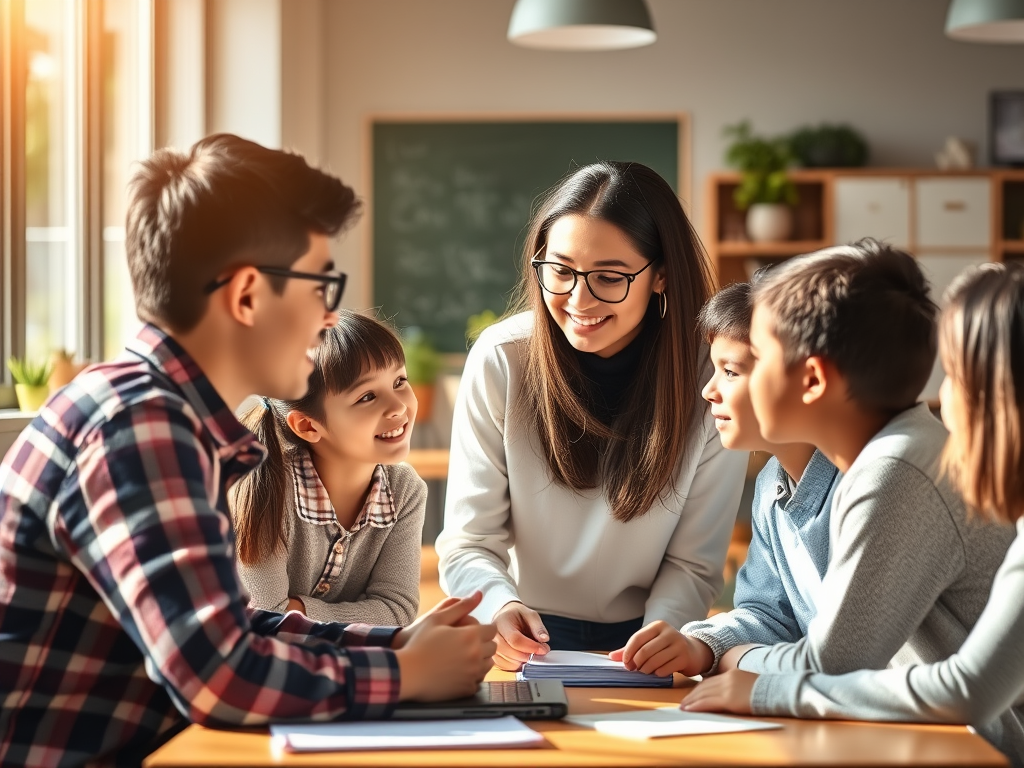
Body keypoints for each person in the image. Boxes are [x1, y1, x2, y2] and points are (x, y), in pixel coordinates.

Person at [0, 134, 494, 768]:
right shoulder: (142, 425)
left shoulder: (160, 414)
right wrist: (406, 676)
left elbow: (231, 629)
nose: (327, 320)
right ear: (248, 296)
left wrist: (395, 644)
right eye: (322, 287)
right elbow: (219, 674)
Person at [683, 260, 1024, 767]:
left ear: (814, 378)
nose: (941, 395)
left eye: (954, 374)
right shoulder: (827, 472)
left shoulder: (900, 467)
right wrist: (716, 648)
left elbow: (832, 664)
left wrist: (744, 670)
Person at [436, 160, 749, 670]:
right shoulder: (503, 357)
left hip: (653, 638)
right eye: (559, 271)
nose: (578, 300)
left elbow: (694, 561)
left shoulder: (712, 375)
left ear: (662, 275)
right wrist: (499, 606)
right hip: (525, 634)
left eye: (609, 277)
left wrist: (659, 636)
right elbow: (471, 541)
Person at [609, 278, 841, 678]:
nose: (708, 391)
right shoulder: (773, 484)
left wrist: (740, 661)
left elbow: (846, 655)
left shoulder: (862, 485)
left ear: (808, 378)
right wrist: (700, 645)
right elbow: (768, 614)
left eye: (731, 372)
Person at [231, 312, 425, 626]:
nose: (399, 406)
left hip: (335, 667)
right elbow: (265, 620)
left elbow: (398, 612)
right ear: (308, 425)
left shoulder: (405, 491)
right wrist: (356, 616)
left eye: (399, 381)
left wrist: (298, 611)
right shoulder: (266, 485)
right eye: (367, 396)